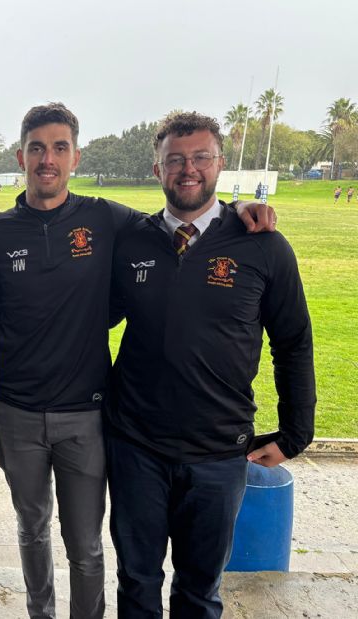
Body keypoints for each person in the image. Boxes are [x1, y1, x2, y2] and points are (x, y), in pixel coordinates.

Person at [0, 102, 276, 619]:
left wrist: (241, 207)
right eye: (37, 148)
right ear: (21, 156)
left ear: (76, 157)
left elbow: (183, 214)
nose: (48, 159)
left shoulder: (106, 218)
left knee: (86, 542)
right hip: (15, 410)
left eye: (60, 148)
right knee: (31, 527)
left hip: (87, 412)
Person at [105, 111, 316, 618]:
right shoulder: (131, 241)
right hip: (136, 446)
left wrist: (295, 433)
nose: (188, 169)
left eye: (201, 157)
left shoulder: (263, 244)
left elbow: (293, 341)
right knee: (136, 582)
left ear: (220, 164)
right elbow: (88, 316)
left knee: (200, 592)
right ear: (157, 170)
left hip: (218, 451)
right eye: (175, 160)